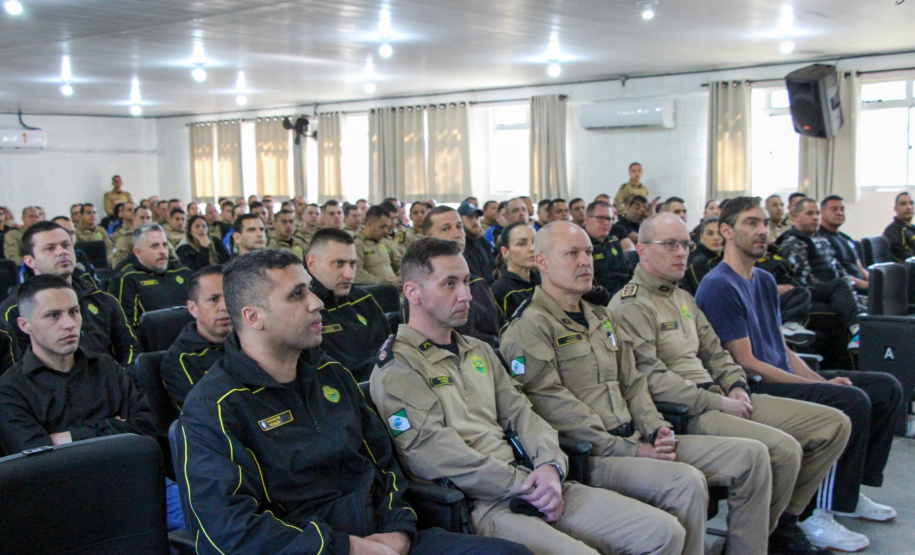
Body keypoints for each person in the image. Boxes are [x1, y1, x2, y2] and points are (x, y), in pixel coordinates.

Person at [179, 249, 526, 555]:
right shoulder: (215, 406)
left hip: (380, 537)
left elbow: (385, 465)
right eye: (297, 294)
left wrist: (398, 530)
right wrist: (346, 548)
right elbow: (228, 531)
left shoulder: (331, 375)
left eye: (311, 289)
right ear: (254, 317)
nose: (316, 302)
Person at [371, 238, 686, 554]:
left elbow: (522, 412)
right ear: (413, 292)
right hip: (482, 502)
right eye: (450, 284)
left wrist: (550, 465)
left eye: (466, 281)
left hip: (535, 480)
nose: (466, 295)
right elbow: (436, 456)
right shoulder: (398, 368)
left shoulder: (478, 350)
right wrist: (521, 484)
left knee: (664, 532)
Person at [501, 221, 773, 555]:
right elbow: (554, 407)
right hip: (592, 454)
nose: (585, 261)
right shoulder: (529, 327)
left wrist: (655, 426)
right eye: (572, 253)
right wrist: (629, 449)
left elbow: (633, 383)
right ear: (542, 262)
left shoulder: (601, 316)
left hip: (636, 437)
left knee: (753, 454)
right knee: (685, 482)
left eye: (588, 252)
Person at [611, 213, 851, 555]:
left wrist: (736, 383)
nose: (681, 253)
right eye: (670, 245)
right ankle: (748, 546)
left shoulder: (682, 297)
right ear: (643, 250)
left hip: (724, 396)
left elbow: (717, 351)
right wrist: (719, 402)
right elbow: (651, 380)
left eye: (685, 244)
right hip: (687, 411)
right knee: (783, 451)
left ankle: (781, 525)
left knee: (833, 424)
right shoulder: (630, 305)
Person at [696, 196, 903, 553]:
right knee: (851, 401)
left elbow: (783, 349)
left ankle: (847, 494)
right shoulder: (719, 285)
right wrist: (816, 386)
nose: (762, 231)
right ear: (726, 230)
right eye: (750, 223)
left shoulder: (762, 279)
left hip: (781, 375)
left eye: (764, 223)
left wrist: (821, 381)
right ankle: (815, 511)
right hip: (759, 387)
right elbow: (747, 363)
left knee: (886, 388)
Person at [0, 275, 183, 531]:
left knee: (209, 524)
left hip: (134, 481)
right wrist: (115, 429)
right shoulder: (10, 389)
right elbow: (34, 459)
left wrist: (65, 438)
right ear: (24, 324)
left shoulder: (106, 367)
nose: (69, 324)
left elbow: (146, 428)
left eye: (74, 312)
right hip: (65, 500)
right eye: (53, 316)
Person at [2, 220, 140, 365]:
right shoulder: (13, 311)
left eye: (66, 245)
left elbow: (130, 350)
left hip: (109, 382)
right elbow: (17, 369)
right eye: (50, 248)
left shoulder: (101, 299)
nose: (62, 251)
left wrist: (121, 382)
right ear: (30, 261)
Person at [776, 198, 864, 350]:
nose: (815, 217)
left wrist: (848, 286)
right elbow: (804, 278)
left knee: (861, 298)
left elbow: (837, 268)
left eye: (817, 213)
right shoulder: (793, 242)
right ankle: (857, 329)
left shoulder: (821, 239)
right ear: (795, 217)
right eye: (809, 213)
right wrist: (835, 289)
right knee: (840, 286)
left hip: (830, 288)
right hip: (807, 292)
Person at [306, 228, 390, 382]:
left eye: (352, 264)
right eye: (339, 264)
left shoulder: (364, 300)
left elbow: (387, 351)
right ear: (312, 264)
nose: (349, 274)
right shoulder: (304, 310)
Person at [421, 206, 505, 348]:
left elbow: (502, 327)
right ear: (427, 241)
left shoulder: (478, 283)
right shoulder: (422, 291)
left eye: (459, 227)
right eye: (446, 229)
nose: (457, 234)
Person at [161, 266, 231, 409]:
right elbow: (203, 412)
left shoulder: (254, 341)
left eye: (230, 296)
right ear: (193, 308)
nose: (224, 306)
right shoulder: (180, 359)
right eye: (213, 299)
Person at [110, 224, 192, 327]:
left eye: (165, 245)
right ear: (138, 252)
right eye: (155, 246)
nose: (162, 251)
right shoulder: (128, 278)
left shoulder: (183, 272)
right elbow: (126, 327)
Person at [817, 196, 868, 291]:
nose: (839, 213)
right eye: (834, 209)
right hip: (847, 288)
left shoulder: (846, 238)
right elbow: (838, 274)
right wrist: (867, 285)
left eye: (842, 209)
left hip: (863, 284)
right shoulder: (820, 239)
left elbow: (860, 268)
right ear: (822, 212)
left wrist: (873, 281)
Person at [491, 222, 539, 319]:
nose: (532, 248)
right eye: (521, 244)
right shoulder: (502, 290)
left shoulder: (543, 281)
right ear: (505, 252)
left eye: (535, 242)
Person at [585, 200, 631, 297]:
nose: (606, 223)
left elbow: (628, 273)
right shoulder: (580, 246)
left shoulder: (614, 242)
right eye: (601, 218)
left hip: (625, 295)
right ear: (587, 220)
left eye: (609, 219)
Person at [355, 206, 402, 287]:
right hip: (374, 291)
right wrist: (386, 283)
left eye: (387, 227)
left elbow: (400, 263)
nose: (386, 231)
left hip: (395, 290)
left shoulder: (385, 242)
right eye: (382, 226)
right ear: (369, 224)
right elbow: (357, 273)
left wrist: (402, 276)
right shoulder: (357, 244)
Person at [682, 217, 722, 295]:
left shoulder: (723, 257)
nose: (716, 238)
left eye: (719, 233)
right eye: (710, 234)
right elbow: (706, 295)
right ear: (702, 237)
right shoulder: (698, 262)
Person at [459, 201, 495, 283]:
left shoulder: (482, 241)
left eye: (477, 217)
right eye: (470, 217)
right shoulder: (459, 246)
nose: (475, 221)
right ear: (460, 220)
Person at [882, 191, 915, 262]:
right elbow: (906, 259)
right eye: (903, 204)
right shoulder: (892, 231)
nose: (909, 207)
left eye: (911, 203)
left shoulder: (912, 229)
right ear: (895, 209)